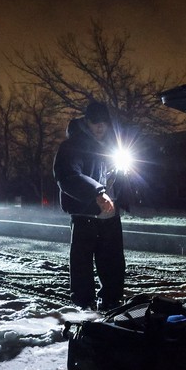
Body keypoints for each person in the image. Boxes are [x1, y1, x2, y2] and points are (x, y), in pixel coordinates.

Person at [53, 102, 128, 311]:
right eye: (96, 122)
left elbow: (121, 175)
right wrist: (96, 193)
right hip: (84, 213)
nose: (100, 127)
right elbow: (67, 175)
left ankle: (112, 300)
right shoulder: (71, 146)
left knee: (113, 261)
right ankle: (84, 305)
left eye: (104, 123)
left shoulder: (111, 146)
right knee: (82, 263)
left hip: (110, 216)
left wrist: (125, 189)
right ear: (86, 121)